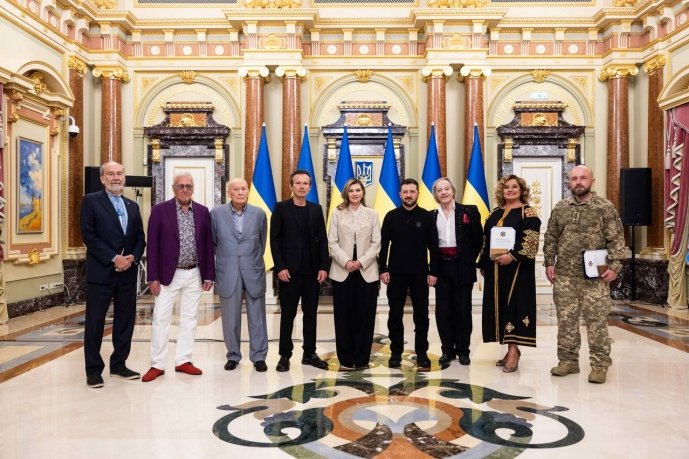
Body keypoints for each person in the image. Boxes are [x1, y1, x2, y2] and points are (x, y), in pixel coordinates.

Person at [543, 165, 626, 384]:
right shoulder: (561, 207)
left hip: (595, 277)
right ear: (569, 182)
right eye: (574, 179)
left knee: (596, 321)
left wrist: (615, 266)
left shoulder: (604, 207)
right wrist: (549, 262)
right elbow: (551, 237)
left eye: (583, 178)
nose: (578, 182)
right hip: (565, 276)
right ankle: (568, 361)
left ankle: (599, 365)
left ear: (592, 181)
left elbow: (616, 239)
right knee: (566, 321)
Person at [141, 172, 214, 382]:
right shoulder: (159, 210)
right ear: (173, 188)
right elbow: (152, 245)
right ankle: (157, 364)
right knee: (160, 318)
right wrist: (152, 276)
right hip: (166, 275)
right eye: (180, 186)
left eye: (188, 186)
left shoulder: (202, 211)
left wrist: (209, 274)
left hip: (194, 273)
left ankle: (183, 360)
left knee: (189, 318)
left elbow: (208, 245)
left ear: (193, 189)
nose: (184, 190)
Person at [80, 161, 146, 388]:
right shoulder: (91, 201)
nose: (116, 177)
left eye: (119, 173)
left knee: (125, 320)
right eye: (111, 174)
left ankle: (119, 365)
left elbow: (140, 237)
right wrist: (114, 258)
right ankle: (93, 371)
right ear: (102, 178)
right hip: (101, 271)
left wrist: (132, 257)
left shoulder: (132, 206)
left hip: (127, 272)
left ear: (124, 177)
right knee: (95, 322)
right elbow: (88, 235)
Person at [479, 175, 541, 373]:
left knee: (514, 307)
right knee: (500, 309)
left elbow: (530, 242)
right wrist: (483, 263)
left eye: (515, 187)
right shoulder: (495, 213)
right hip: (495, 270)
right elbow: (486, 239)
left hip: (518, 270)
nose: (510, 190)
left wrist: (512, 256)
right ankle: (509, 348)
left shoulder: (528, 213)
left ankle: (514, 351)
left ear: (521, 190)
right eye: (507, 187)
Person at [271, 169, 330, 372]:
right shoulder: (281, 208)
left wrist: (324, 266)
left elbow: (322, 239)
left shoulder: (316, 209)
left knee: (311, 315)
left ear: (310, 187)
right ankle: (284, 355)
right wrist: (280, 267)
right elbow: (275, 240)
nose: (302, 186)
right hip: (289, 272)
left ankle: (309, 353)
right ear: (291, 186)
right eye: (298, 183)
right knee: (288, 315)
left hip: (312, 272)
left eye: (305, 183)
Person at [379, 178, 439, 370]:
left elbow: (434, 247)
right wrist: (383, 269)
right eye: (405, 192)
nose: (408, 195)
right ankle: (395, 353)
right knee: (395, 314)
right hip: (395, 274)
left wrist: (433, 271)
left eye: (412, 191)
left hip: (420, 273)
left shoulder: (427, 217)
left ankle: (422, 353)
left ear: (417, 194)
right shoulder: (391, 216)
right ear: (400, 194)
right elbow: (383, 245)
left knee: (421, 314)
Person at [211, 178, 269, 373]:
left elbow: (262, 242)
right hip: (228, 272)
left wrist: (250, 261)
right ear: (229, 192)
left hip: (253, 270)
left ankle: (259, 356)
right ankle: (233, 355)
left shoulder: (259, 214)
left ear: (248, 192)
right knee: (230, 318)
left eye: (243, 189)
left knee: (257, 316)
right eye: (236, 189)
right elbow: (213, 243)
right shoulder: (216, 214)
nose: (240, 192)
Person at [328, 178, 381, 370]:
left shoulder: (372, 214)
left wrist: (361, 262)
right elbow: (332, 242)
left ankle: (361, 358)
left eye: (358, 190)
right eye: (351, 191)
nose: (355, 193)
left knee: (365, 316)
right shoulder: (337, 213)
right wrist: (346, 262)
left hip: (366, 271)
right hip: (342, 270)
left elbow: (377, 243)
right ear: (346, 193)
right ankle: (345, 358)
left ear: (363, 193)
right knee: (343, 316)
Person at [431, 177, 483, 366]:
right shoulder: (431, 216)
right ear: (436, 195)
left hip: (462, 267)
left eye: (446, 188)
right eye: (439, 190)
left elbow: (478, 239)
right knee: (443, 310)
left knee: (462, 310)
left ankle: (463, 350)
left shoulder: (469, 211)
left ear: (453, 191)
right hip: (441, 268)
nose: (443, 192)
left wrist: (468, 259)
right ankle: (447, 350)